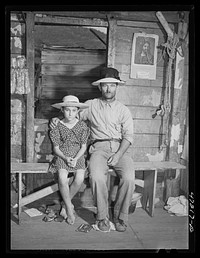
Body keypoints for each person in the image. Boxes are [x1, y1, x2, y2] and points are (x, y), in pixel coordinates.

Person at [50, 68, 135, 232]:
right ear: (100, 87)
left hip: (120, 149)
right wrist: (55, 119)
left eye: (112, 85)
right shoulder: (90, 105)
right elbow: (71, 115)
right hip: (98, 148)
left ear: (117, 87)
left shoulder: (123, 110)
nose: (109, 89)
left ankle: (120, 217)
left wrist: (118, 155)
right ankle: (102, 217)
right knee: (96, 177)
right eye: (105, 86)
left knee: (130, 178)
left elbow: (129, 137)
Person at [48, 95, 89, 225]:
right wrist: (66, 158)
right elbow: (56, 148)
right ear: (62, 110)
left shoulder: (82, 126)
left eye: (73, 110)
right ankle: (70, 210)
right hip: (62, 155)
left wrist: (76, 158)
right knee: (62, 177)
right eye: (67, 110)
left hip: (78, 155)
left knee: (79, 179)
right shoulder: (57, 126)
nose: (70, 113)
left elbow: (83, 146)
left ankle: (65, 204)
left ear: (78, 111)